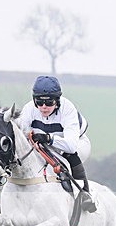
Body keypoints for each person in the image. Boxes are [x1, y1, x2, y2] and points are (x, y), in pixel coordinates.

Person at [18, 75, 97, 212]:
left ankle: (85, 194)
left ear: (57, 101)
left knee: (69, 155)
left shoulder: (67, 109)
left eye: (49, 103)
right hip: (44, 145)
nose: (43, 107)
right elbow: (22, 137)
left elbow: (71, 146)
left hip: (76, 143)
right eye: (39, 102)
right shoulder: (29, 109)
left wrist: (49, 139)